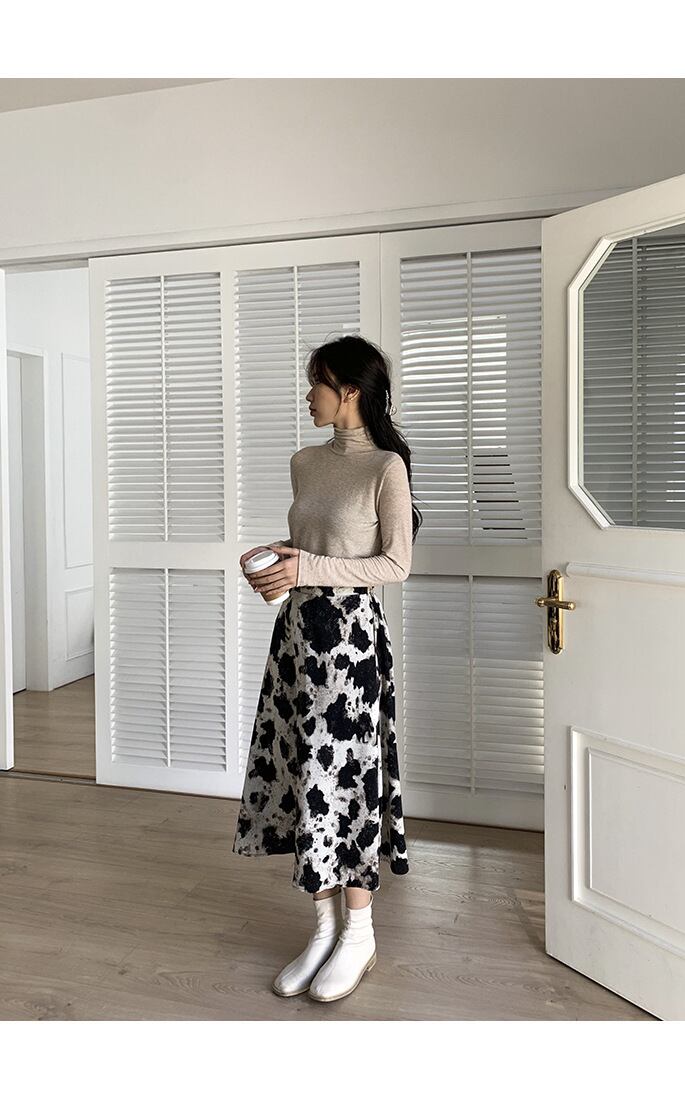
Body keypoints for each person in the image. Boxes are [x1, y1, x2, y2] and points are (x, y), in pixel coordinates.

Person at [232, 333, 422, 1004]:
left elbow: (395, 564)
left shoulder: (386, 469)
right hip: (296, 637)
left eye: (315, 382)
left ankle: (359, 934)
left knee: (346, 783)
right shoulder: (304, 462)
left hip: (351, 645)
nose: (306, 394)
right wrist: (280, 561)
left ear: (348, 392)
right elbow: (316, 543)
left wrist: (306, 565)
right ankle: (322, 930)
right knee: (300, 776)